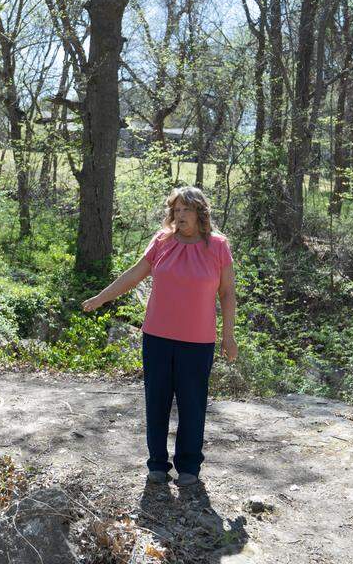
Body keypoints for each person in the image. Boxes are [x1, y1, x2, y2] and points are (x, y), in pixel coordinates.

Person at [82, 186, 237, 487]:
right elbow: (134, 274)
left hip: (198, 341)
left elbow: (228, 293)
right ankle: (157, 464)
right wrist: (101, 298)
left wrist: (228, 336)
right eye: (176, 210)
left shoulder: (218, 246)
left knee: (192, 404)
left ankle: (189, 466)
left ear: (200, 213)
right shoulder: (162, 241)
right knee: (157, 401)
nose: (180, 215)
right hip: (157, 337)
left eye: (186, 210)